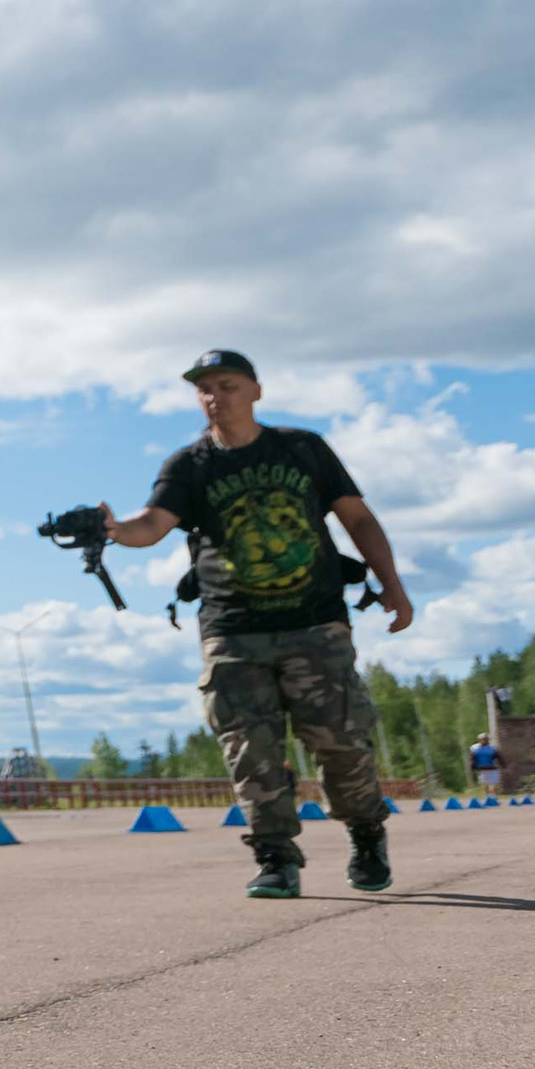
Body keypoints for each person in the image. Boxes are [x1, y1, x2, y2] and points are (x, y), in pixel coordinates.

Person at [101, 350, 414, 901]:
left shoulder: (302, 449)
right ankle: (275, 858)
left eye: (227, 385)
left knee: (341, 743)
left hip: (315, 623)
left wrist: (393, 586)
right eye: (204, 389)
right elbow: (151, 526)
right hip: (232, 628)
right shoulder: (189, 465)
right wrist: (110, 528)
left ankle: (366, 833)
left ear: (256, 392)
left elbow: (358, 518)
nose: (214, 396)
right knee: (250, 748)